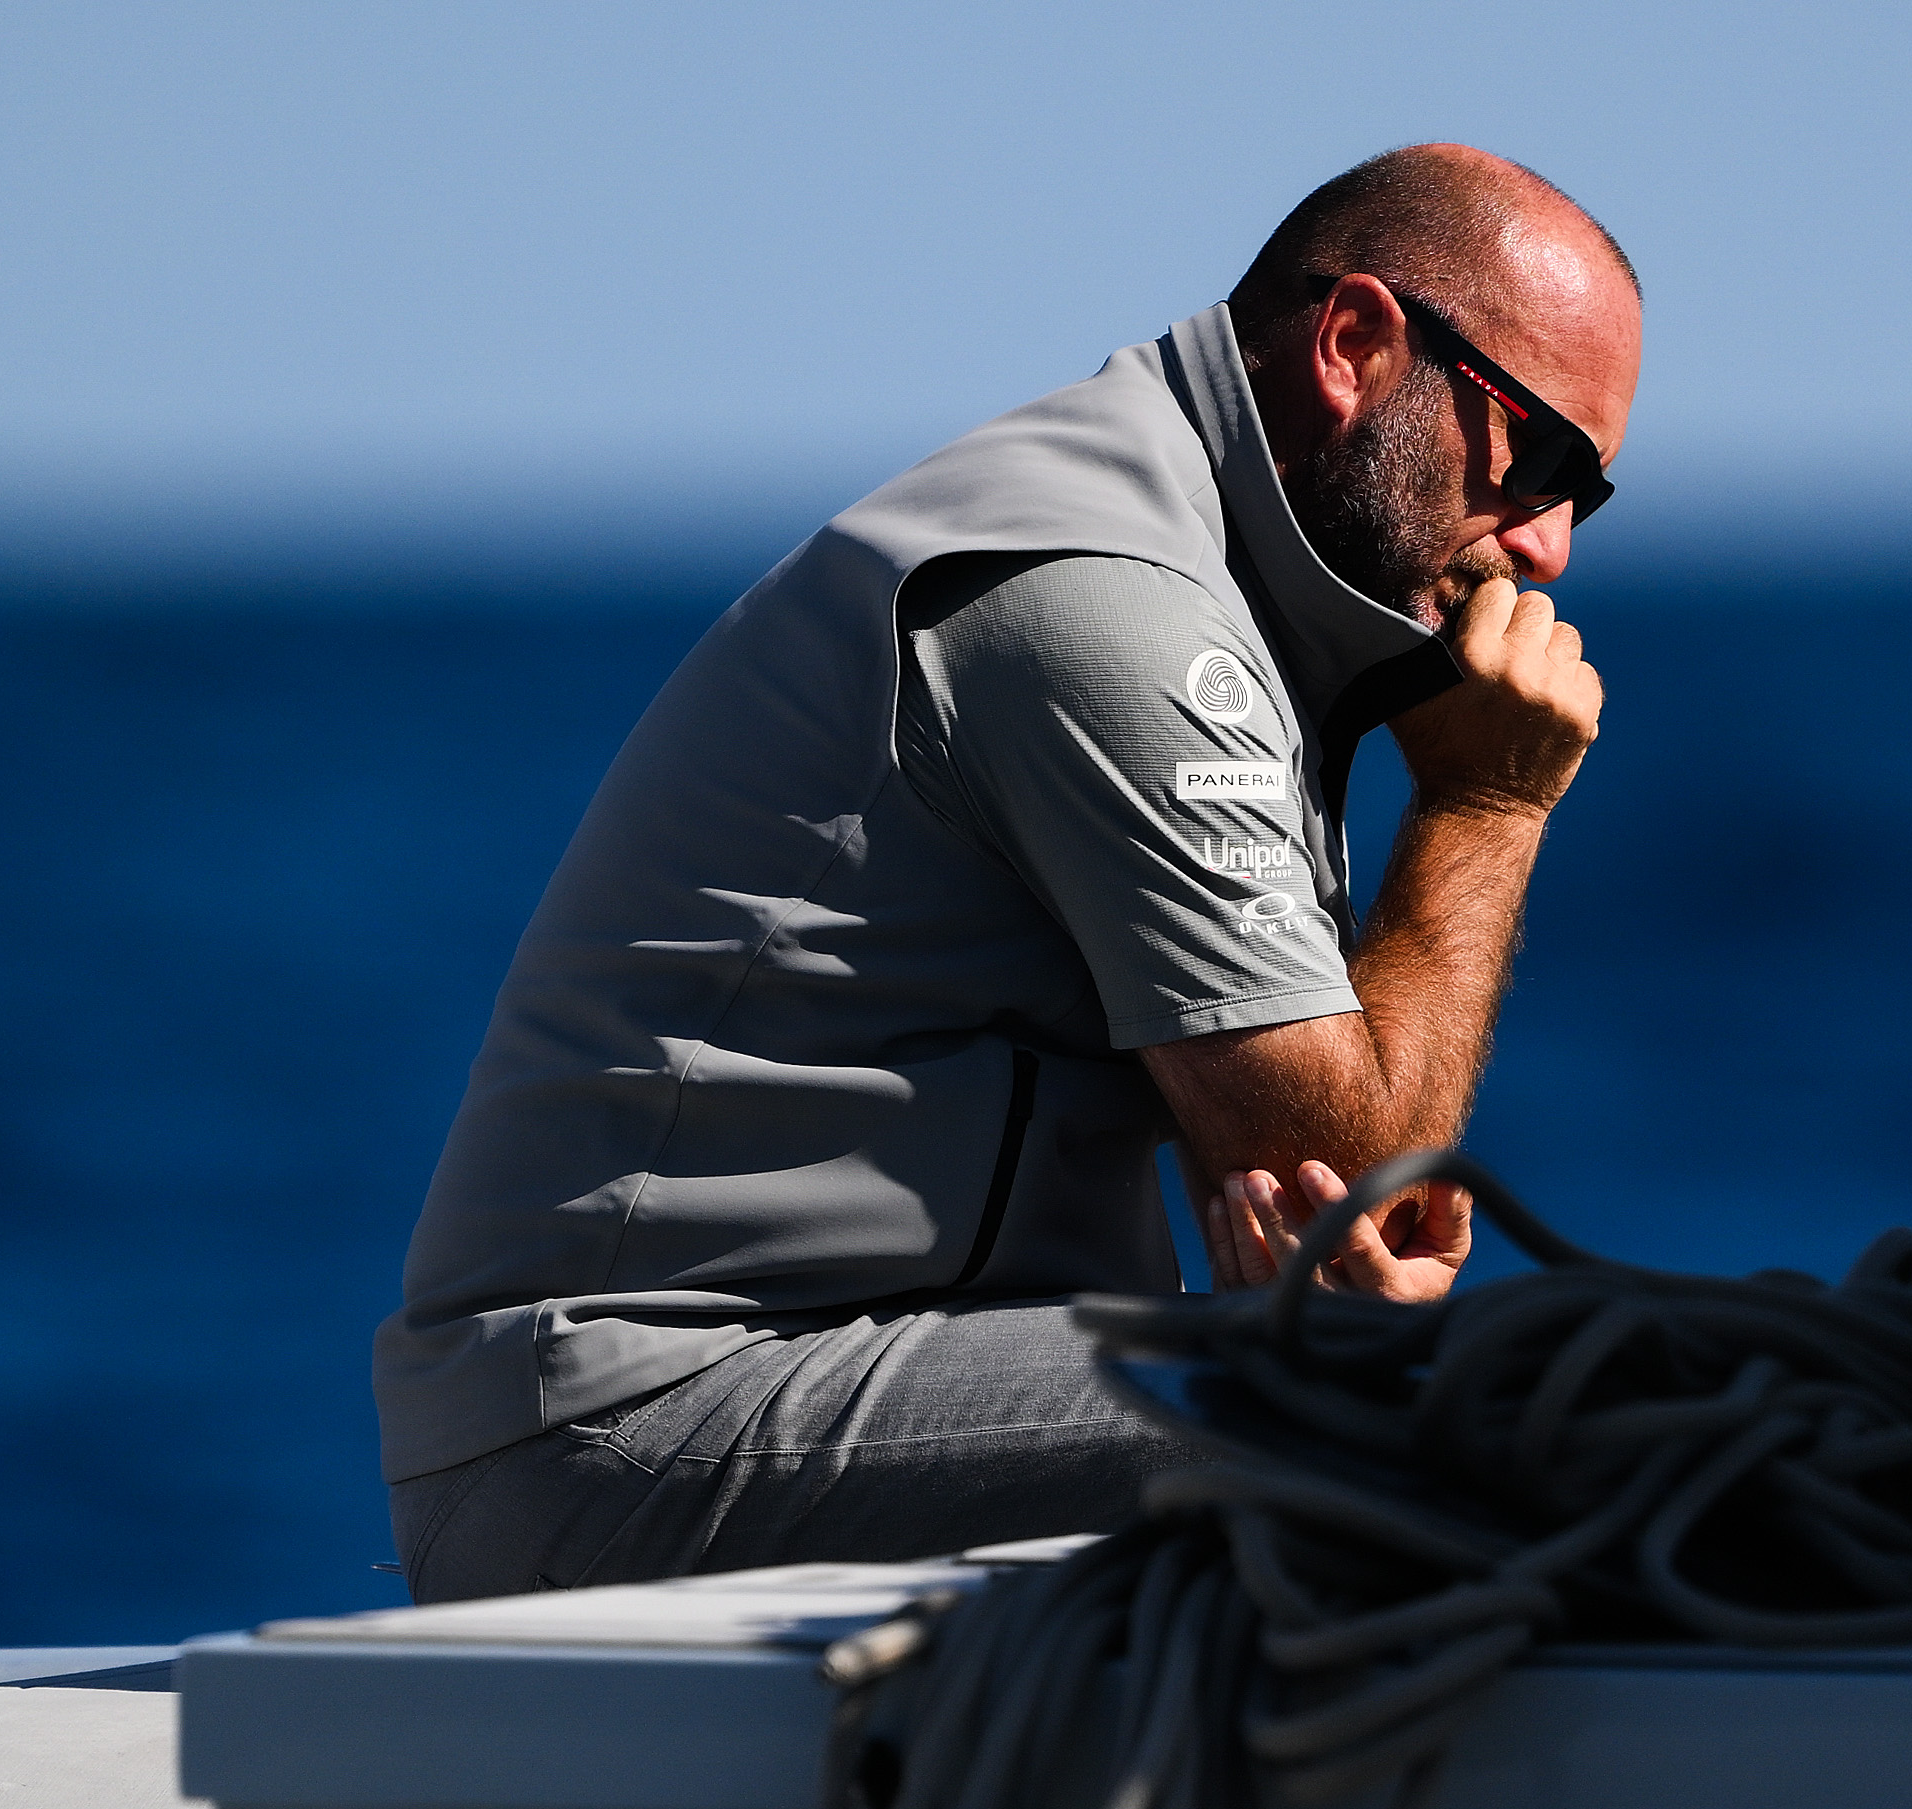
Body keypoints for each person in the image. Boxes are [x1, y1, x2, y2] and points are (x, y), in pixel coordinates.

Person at [375, 143, 1644, 1602]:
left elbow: (1342, 1230)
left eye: (1585, 497)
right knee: (1502, 1417)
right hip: (617, 1437)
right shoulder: (1108, 609)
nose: (1546, 549)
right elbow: (1365, 1195)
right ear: (1357, 344)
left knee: (1449, 1395)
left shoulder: (1207, 566)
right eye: (1535, 454)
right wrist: (1486, 804)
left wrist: (1321, 1295)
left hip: (756, 1395)